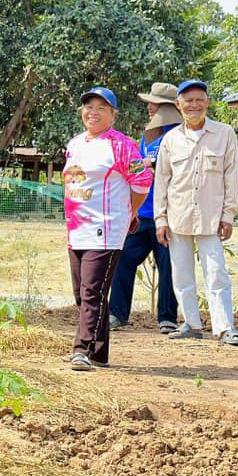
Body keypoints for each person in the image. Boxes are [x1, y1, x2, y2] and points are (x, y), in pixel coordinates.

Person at [63, 87, 152, 370]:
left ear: (113, 114)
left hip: (106, 229)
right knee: (84, 293)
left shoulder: (121, 145)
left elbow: (142, 183)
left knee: (93, 292)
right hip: (76, 229)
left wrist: (129, 212)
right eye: (89, 106)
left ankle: (82, 350)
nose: (93, 112)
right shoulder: (75, 144)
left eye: (102, 107)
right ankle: (100, 352)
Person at [155, 80, 238, 346]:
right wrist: (160, 218)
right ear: (178, 105)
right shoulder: (170, 139)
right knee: (181, 274)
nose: (194, 105)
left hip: (211, 218)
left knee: (216, 272)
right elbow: (162, 181)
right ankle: (192, 323)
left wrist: (228, 215)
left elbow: (232, 176)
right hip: (178, 216)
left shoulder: (224, 134)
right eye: (188, 101)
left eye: (199, 100)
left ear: (207, 102)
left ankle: (225, 327)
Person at [108, 82, 182, 333]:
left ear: (171, 107)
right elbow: (138, 169)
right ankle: (116, 314)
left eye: (156, 103)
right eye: (150, 103)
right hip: (142, 214)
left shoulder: (182, 134)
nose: (150, 107)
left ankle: (168, 319)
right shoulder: (148, 135)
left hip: (169, 216)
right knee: (122, 262)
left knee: (169, 268)